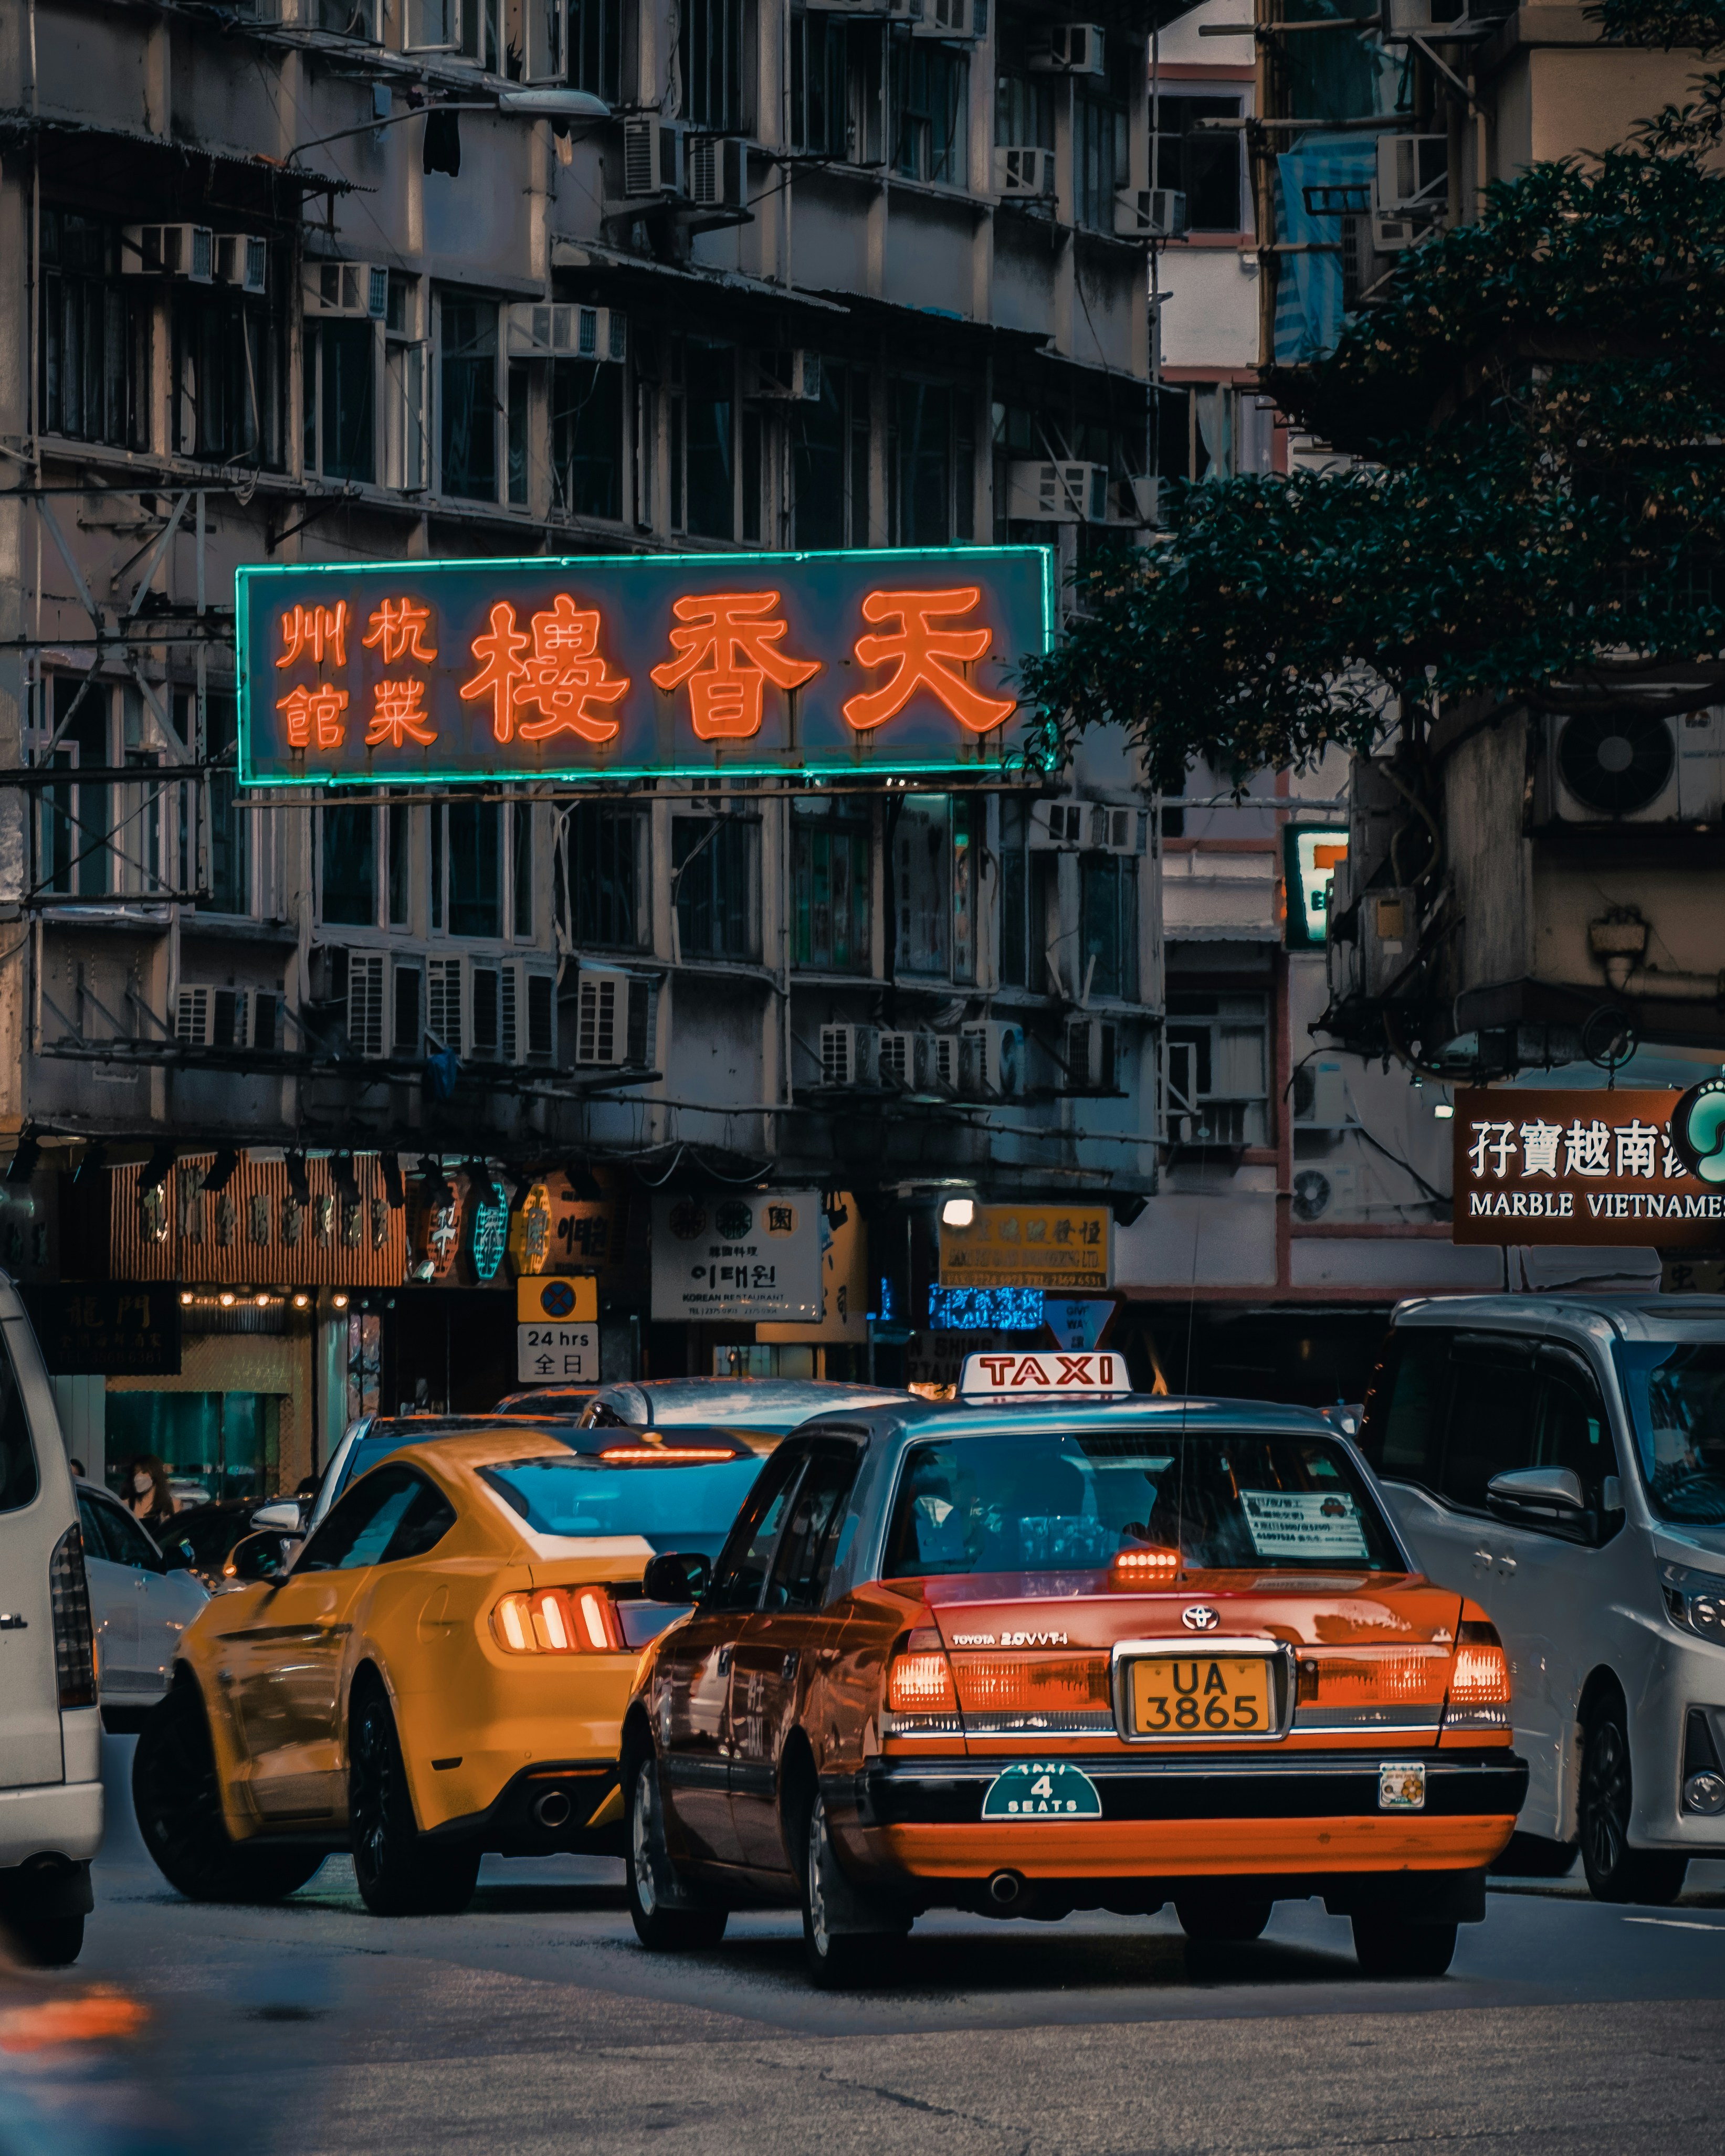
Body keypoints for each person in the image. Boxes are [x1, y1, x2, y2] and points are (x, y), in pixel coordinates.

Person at [124, 1456, 175, 1532]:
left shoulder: (171, 1506)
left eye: (144, 1472)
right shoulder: (125, 1505)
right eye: (135, 1473)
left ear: (155, 1475)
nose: (137, 1477)